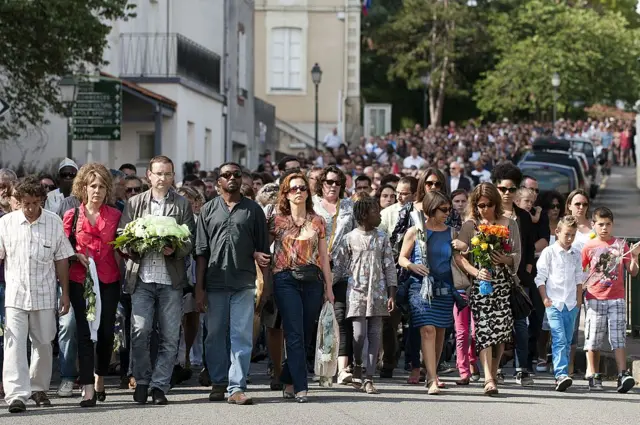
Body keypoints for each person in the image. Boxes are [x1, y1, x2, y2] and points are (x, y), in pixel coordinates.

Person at [119, 155, 196, 406]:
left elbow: (189, 239)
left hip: (170, 280)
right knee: (140, 330)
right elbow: (122, 233)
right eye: (158, 173)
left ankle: (160, 385)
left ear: (173, 176)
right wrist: (135, 244)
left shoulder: (182, 204)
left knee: (170, 335)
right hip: (141, 278)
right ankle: (141, 380)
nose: (162, 178)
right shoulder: (134, 203)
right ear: (148, 176)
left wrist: (175, 248)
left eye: (167, 174)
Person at [195, 162, 271, 406]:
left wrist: (266, 287)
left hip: (244, 282)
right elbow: (201, 253)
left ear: (242, 180)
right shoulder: (207, 210)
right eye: (226, 175)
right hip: (214, 283)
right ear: (218, 181)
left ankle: (236, 386)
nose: (231, 178)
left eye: (236, 175)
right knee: (214, 334)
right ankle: (218, 382)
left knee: (241, 334)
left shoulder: (253, 210)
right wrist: (199, 288)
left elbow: (263, 252)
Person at [0, 177, 74, 413]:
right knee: (14, 345)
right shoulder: (6, 224)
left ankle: (38, 388)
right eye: (25, 204)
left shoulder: (54, 222)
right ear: (18, 202)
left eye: (34, 203)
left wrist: (65, 294)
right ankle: (16, 395)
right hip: (15, 296)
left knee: (43, 343)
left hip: (44, 294)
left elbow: (62, 258)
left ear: (42, 200)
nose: (30, 208)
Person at [269, 173, 333, 402]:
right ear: (286, 193)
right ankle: (301, 386)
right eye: (293, 188)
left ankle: (287, 378)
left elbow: (324, 257)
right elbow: (263, 250)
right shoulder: (276, 220)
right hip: (285, 279)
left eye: (303, 188)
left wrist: (329, 287)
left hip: (313, 280)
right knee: (294, 333)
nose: (298, 192)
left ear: (308, 192)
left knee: (305, 334)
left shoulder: (318, 221)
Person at [62, 163, 122, 407]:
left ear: (107, 191)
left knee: (107, 332)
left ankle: (100, 375)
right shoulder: (71, 215)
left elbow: (122, 246)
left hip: (108, 279)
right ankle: (87, 388)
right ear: (83, 188)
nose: (97, 191)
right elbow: (62, 249)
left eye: (101, 187)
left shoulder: (116, 215)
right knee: (85, 334)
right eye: (92, 186)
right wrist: (76, 256)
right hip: (80, 280)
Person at [454, 183, 521, 396]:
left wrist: (507, 259)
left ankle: (493, 371)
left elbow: (518, 254)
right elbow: (458, 256)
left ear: (496, 203)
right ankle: (488, 378)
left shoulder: (509, 224)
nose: (485, 209)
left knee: (500, 332)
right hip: (480, 284)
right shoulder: (470, 225)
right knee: (482, 330)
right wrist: (475, 271)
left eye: (489, 204)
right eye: (481, 205)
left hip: (502, 283)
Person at [335, 195, 397, 394]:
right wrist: (329, 287)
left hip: (378, 292)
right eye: (375, 212)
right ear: (363, 215)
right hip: (356, 291)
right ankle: (357, 364)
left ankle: (369, 378)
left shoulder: (382, 237)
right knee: (359, 334)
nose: (379, 215)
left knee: (375, 334)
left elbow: (389, 266)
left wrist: (392, 292)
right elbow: (339, 266)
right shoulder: (349, 238)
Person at [398, 191, 456, 395]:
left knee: (440, 332)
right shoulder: (415, 231)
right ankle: (431, 378)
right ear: (431, 209)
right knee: (428, 330)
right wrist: (413, 266)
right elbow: (402, 258)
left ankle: (433, 370)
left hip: (444, 288)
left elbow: (458, 261)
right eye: (443, 210)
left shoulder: (451, 233)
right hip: (419, 286)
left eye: (449, 210)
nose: (447, 213)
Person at [581, 207, 640, 393]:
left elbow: (633, 271)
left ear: (612, 225)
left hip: (616, 298)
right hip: (595, 297)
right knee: (593, 336)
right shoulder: (589, 247)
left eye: (608, 224)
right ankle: (593, 373)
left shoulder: (621, 245)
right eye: (600, 224)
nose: (604, 228)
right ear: (593, 225)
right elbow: (580, 271)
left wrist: (635, 257)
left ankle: (623, 373)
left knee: (618, 336)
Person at [491, 162, 535, 385]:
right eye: (502, 189)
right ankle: (494, 368)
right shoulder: (489, 213)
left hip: (518, 279)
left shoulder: (523, 217)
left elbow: (528, 248)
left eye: (511, 189)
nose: (507, 194)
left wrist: (524, 270)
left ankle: (521, 367)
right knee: (497, 323)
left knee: (520, 323)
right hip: (493, 277)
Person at [312, 165, 356, 384]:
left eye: (337, 182)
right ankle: (317, 366)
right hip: (314, 268)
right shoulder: (311, 204)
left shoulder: (349, 206)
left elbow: (356, 234)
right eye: (329, 182)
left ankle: (341, 368)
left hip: (342, 270)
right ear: (322, 184)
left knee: (339, 318)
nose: (332, 186)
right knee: (312, 318)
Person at [535, 215, 583, 392]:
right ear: (557, 232)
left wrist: (578, 300)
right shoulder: (549, 252)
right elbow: (540, 277)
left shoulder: (576, 253)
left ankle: (563, 371)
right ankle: (561, 374)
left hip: (571, 304)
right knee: (559, 339)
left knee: (568, 339)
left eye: (573, 235)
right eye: (567, 234)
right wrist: (545, 299)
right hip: (554, 303)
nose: (569, 238)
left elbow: (579, 277)